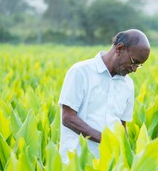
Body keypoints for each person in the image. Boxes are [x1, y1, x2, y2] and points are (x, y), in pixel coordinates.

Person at [58, 29, 150, 163]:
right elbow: (68, 117)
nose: (135, 69)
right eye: (134, 62)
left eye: (139, 65)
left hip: (109, 165)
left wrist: (125, 156)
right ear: (119, 49)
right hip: (75, 163)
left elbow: (122, 125)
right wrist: (105, 140)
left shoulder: (128, 84)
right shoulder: (81, 72)